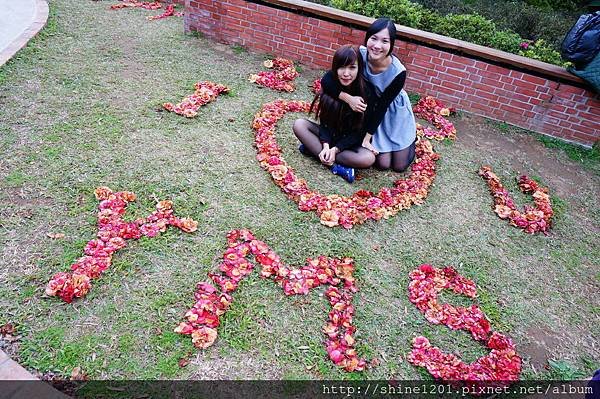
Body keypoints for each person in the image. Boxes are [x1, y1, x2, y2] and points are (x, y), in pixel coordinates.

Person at [321, 18, 417, 172]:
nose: (377, 46)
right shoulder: (360, 54)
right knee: (383, 164)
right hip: (369, 109)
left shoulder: (398, 72)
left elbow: (382, 107)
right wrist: (348, 98)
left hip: (391, 111)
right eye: (374, 38)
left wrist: (367, 138)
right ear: (367, 38)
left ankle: (411, 139)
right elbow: (327, 79)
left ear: (391, 44)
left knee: (399, 166)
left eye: (385, 41)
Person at [293, 44, 377, 183]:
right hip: (330, 136)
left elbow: (359, 133)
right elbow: (325, 122)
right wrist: (326, 145)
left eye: (352, 67)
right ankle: (334, 166)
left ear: (359, 68)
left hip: (349, 143)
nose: (346, 73)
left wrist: (336, 149)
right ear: (335, 68)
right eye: (341, 67)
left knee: (368, 158)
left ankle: (314, 150)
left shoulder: (367, 92)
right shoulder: (331, 84)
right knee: (299, 124)